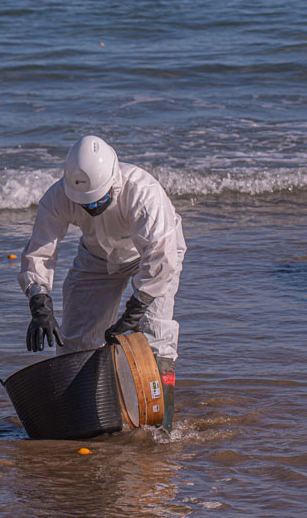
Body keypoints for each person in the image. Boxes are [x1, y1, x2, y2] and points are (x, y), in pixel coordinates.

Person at [18, 135, 185, 432]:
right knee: (77, 340)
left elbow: (162, 259)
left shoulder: (143, 193)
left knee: (156, 336)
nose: (92, 206)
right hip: (96, 257)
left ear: (113, 180)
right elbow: (39, 253)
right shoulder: (58, 196)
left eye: (98, 199)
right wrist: (39, 302)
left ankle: (162, 430)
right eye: (85, 203)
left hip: (151, 257)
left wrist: (134, 311)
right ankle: (86, 420)